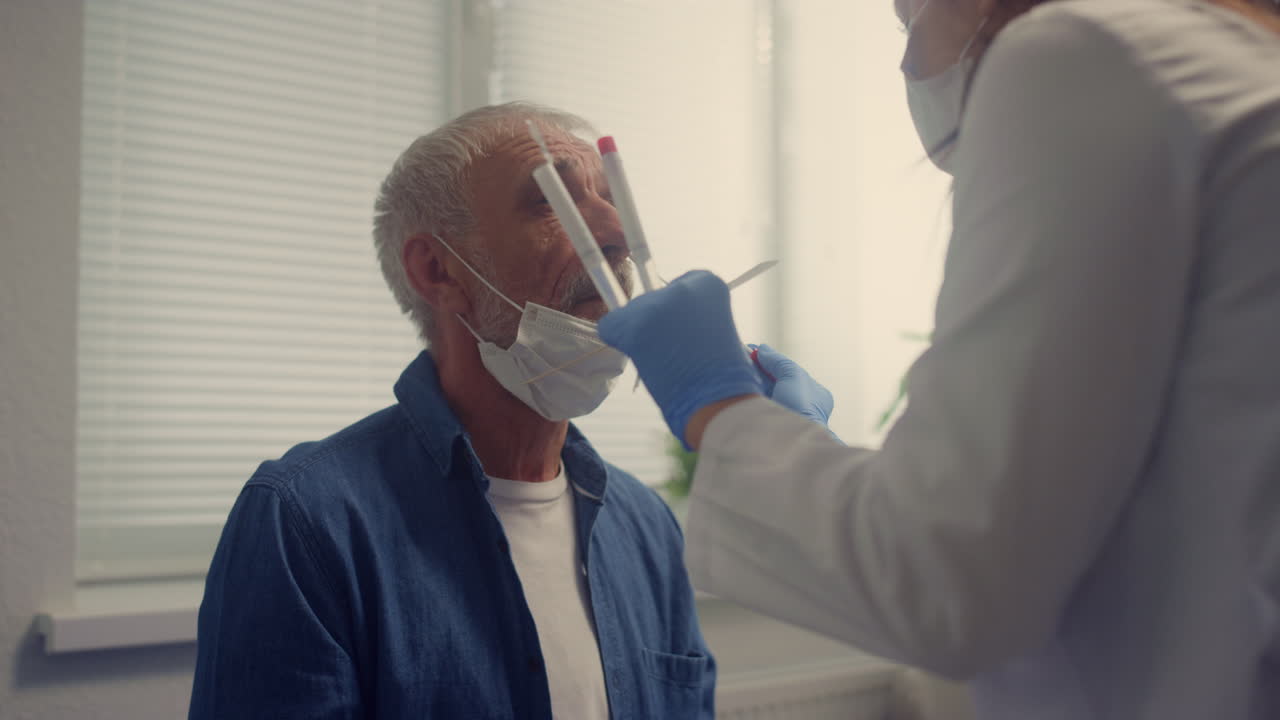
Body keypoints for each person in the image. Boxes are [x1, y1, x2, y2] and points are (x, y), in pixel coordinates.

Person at [597, 0, 1280, 717]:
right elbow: (1099, 493)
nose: (905, 59)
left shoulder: (1088, 55)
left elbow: (952, 583)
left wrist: (717, 406)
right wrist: (815, 461)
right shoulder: (1233, 66)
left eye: (908, 17)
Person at [189, 103, 715, 720]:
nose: (616, 232)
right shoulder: (308, 523)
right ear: (439, 271)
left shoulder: (646, 526)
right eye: (554, 202)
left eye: (611, 197)